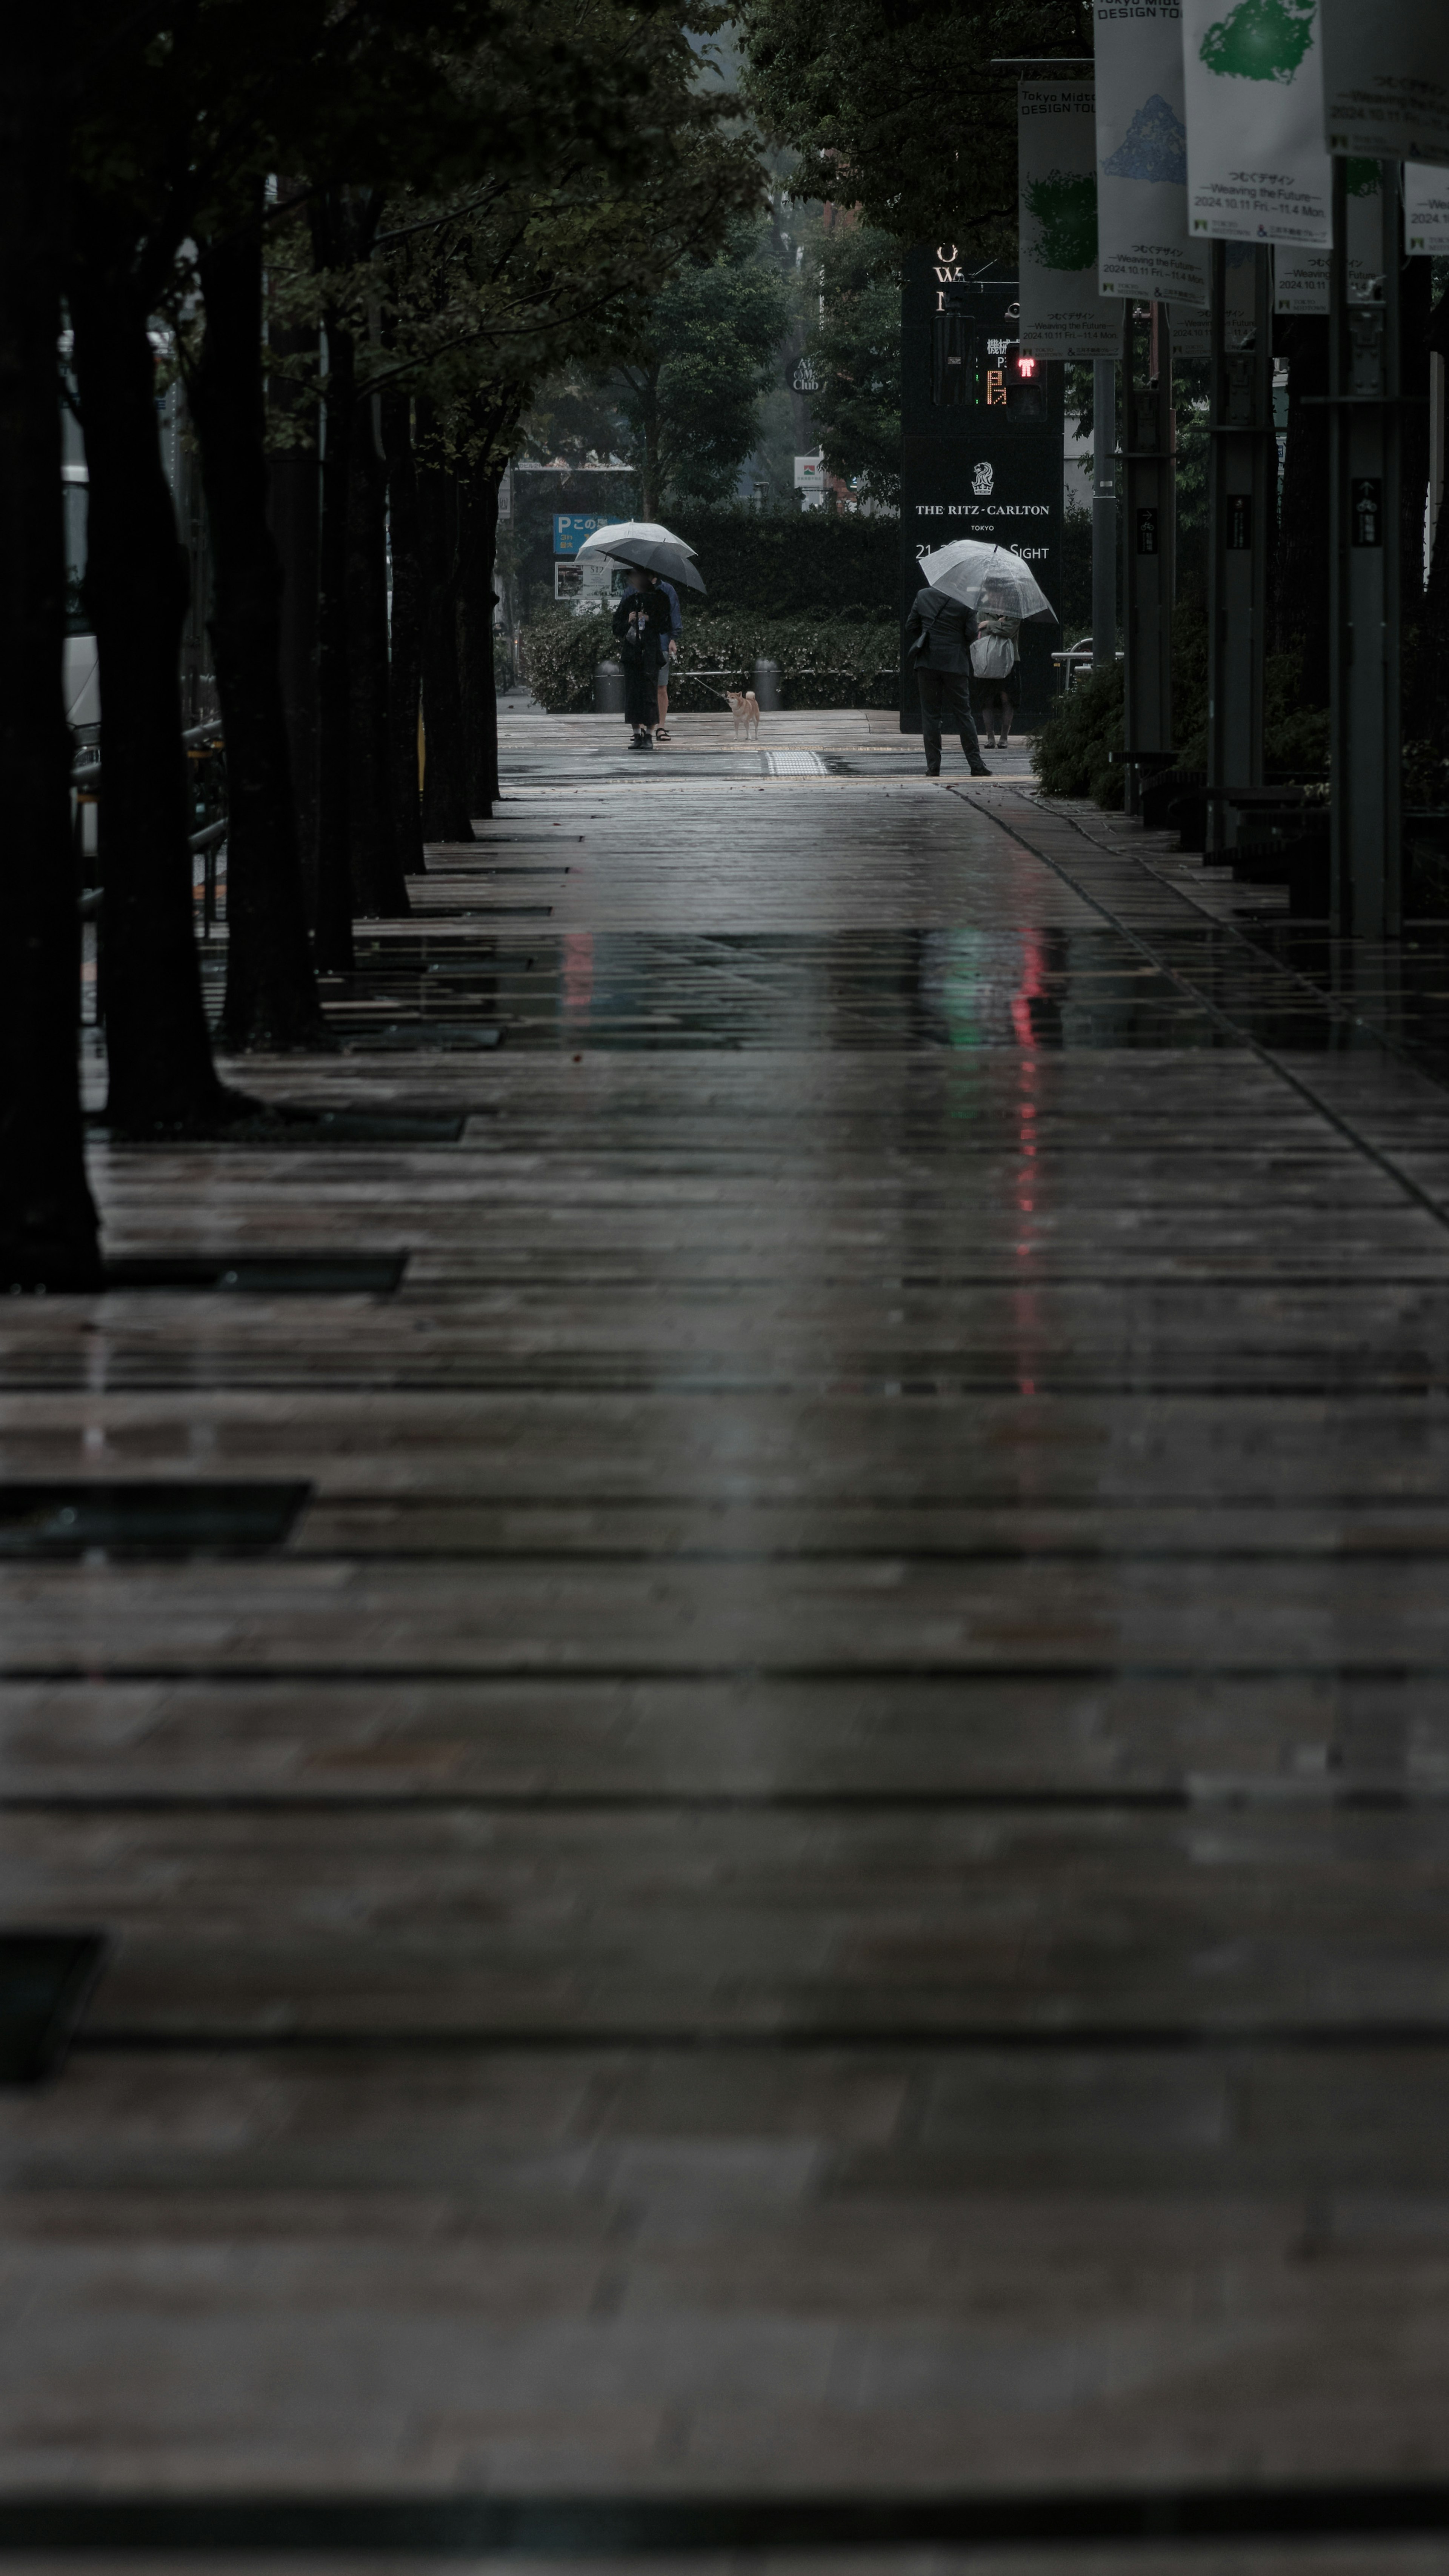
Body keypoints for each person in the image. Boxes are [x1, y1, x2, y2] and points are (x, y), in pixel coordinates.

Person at [904, 580, 991, 778]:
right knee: (964, 714)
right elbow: (971, 633)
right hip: (955, 664)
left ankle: (933, 766)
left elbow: (911, 626)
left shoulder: (923, 595)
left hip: (927, 662)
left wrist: (930, 635)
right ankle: (976, 765)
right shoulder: (966, 602)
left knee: (931, 716)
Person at [612, 569, 672, 751]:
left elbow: (664, 625)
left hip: (650, 653)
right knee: (632, 695)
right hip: (632, 654)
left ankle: (650, 735)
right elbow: (616, 627)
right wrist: (628, 620)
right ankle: (637, 734)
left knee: (649, 693)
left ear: (652, 579)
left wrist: (648, 618)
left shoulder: (660, 598)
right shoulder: (630, 601)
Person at [971, 580, 1021, 750]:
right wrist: (998, 624)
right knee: (987, 699)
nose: (994, 597)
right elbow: (979, 630)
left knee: (1007, 698)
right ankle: (990, 738)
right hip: (988, 659)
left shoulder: (1014, 611)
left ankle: (1004, 738)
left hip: (1010, 659)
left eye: (997, 593)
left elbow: (1010, 631)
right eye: (991, 593)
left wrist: (991, 624)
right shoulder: (982, 611)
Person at [651, 571, 682, 742]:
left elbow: (674, 614)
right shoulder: (635, 589)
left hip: (662, 643)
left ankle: (661, 727)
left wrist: (673, 639)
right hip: (642, 645)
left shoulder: (667, 590)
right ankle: (642, 728)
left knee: (661, 688)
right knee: (643, 687)